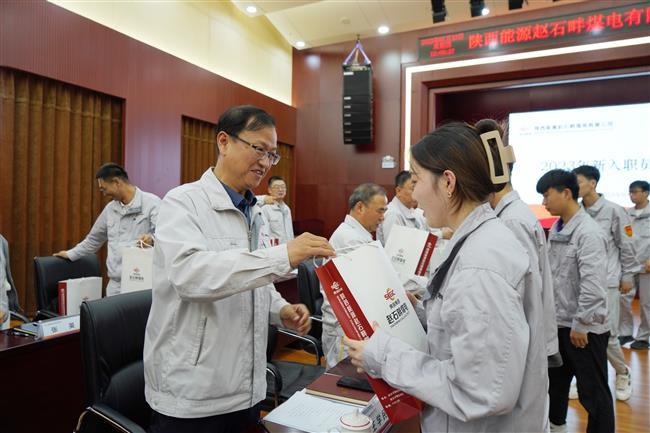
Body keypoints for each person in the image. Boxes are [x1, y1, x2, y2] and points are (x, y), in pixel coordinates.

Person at [143, 105, 334, 433]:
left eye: (272, 155)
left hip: (246, 385)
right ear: (224, 142)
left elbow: (250, 278)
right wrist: (282, 255)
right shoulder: (182, 202)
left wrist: (280, 308)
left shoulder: (253, 210)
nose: (265, 163)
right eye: (258, 149)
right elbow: (191, 276)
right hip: (194, 393)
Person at [345, 122, 546, 432]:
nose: (414, 194)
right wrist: (421, 310)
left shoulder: (479, 266)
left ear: (448, 182)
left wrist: (381, 354)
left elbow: (477, 391)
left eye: (416, 179)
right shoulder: (481, 241)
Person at [537, 169, 614, 433]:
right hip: (560, 324)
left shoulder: (588, 233)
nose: (544, 203)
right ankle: (556, 427)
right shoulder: (557, 228)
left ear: (566, 193)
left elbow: (593, 286)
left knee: (593, 394)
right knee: (556, 387)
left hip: (584, 331)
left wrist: (581, 324)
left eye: (547, 196)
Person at [572, 165, 640, 401]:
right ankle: (584, 378)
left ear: (593, 183)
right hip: (580, 283)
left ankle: (622, 372)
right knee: (580, 332)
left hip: (607, 283)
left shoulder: (614, 211)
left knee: (607, 335)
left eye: (578, 182)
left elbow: (627, 245)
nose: (574, 187)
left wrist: (628, 276)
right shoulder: (576, 212)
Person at [54, 163, 161, 296]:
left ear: (116, 182)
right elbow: (94, 239)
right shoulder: (110, 209)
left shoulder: (152, 203)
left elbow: (165, 237)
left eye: (104, 189)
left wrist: (151, 239)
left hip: (142, 282)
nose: (104, 194)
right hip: (115, 284)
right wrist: (70, 254)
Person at [321, 183, 387, 369]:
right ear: (360, 207)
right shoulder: (350, 239)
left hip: (353, 325)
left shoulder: (359, 235)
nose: (383, 217)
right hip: (345, 328)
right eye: (380, 211)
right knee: (343, 380)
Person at [619, 180, 650, 350]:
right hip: (629, 264)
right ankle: (625, 332)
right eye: (630, 192)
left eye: (635, 192)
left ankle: (643, 337)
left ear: (646, 193)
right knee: (623, 299)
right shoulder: (626, 214)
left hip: (647, 265)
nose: (632, 195)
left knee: (646, 303)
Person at [376, 170, 427, 245]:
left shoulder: (412, 211)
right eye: (413, 189)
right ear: (398, 191)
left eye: (419, 190)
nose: (417, 194)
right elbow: (394, 247)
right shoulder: (392, 214)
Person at [259, 176, 294, 245]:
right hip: (274, 249)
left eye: (283, 187)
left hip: (288, 247)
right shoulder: (265, 209)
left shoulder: (286, 208)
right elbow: (264, 236)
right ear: (269, 190)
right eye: (277, 187)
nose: (280, 190)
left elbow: (290, 232)